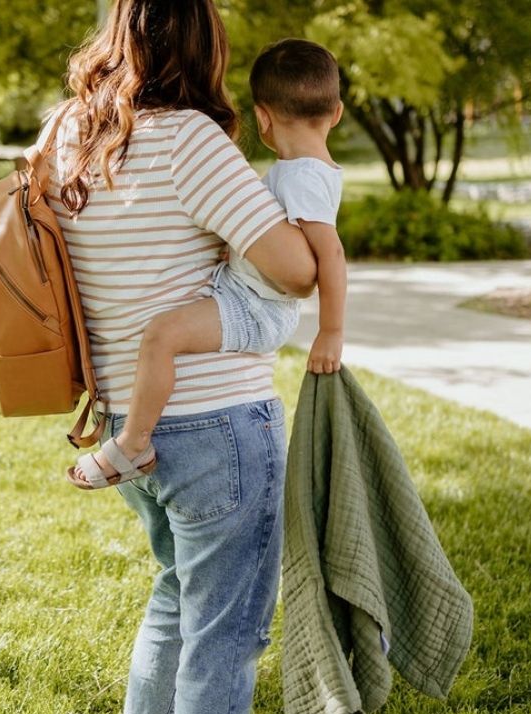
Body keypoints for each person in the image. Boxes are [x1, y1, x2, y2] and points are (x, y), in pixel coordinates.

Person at [42, 2, 318, 714]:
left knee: (176, 592)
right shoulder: (188, 139)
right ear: (203, 44)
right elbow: (295, 269)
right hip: (220, 426)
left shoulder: (66, 135)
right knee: (224, 640)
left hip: (134, 423)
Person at [69, 38, 348, 491]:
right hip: (248, 295)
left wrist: (331, 332)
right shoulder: (306, 171)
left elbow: (328, 256)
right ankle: (133, 439)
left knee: (162, 335)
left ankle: (134, 443)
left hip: (255, 307)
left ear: (262, 117)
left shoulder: (302, 176)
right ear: (336, 113)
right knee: (163, 334)